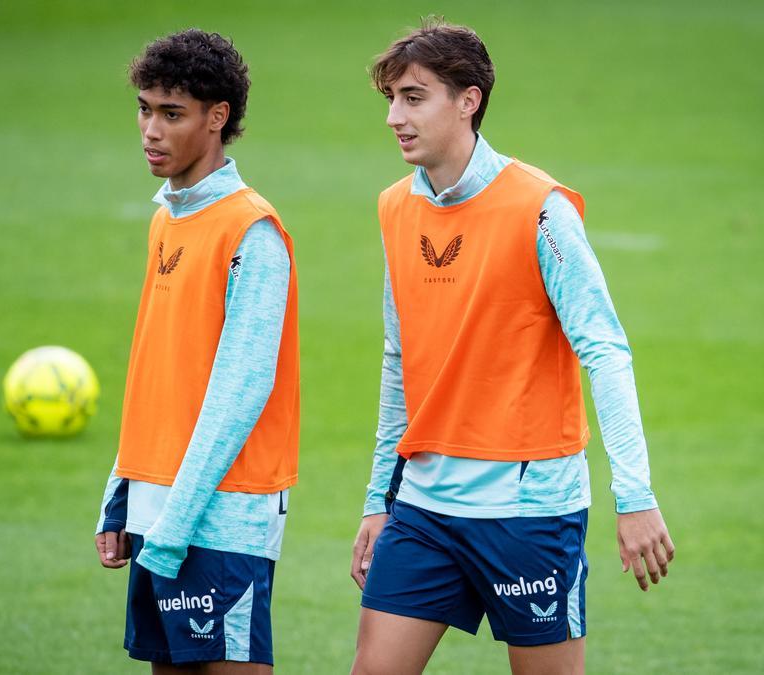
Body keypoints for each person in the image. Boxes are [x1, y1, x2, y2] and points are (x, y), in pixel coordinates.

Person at [349, 18, 674, 675]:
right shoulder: (394, 208)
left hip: (528, 512)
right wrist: (378, 500)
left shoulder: (542, 209)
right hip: (424, 509)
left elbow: (605, 348)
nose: (394, 117)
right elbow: (398, 359)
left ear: (468, 100)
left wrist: (634, 495)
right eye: (390, 99)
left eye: (414, 97)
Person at [95, 29, 299, 674]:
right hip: (160, 507)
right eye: (145, 108)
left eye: (171, 114)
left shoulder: (251, 232)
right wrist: (122, 493)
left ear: (218, 119)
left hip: (222, 516)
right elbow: (158, 368)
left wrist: (177, 520)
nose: (151, 130)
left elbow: (243, 388)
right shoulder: (168, 219)